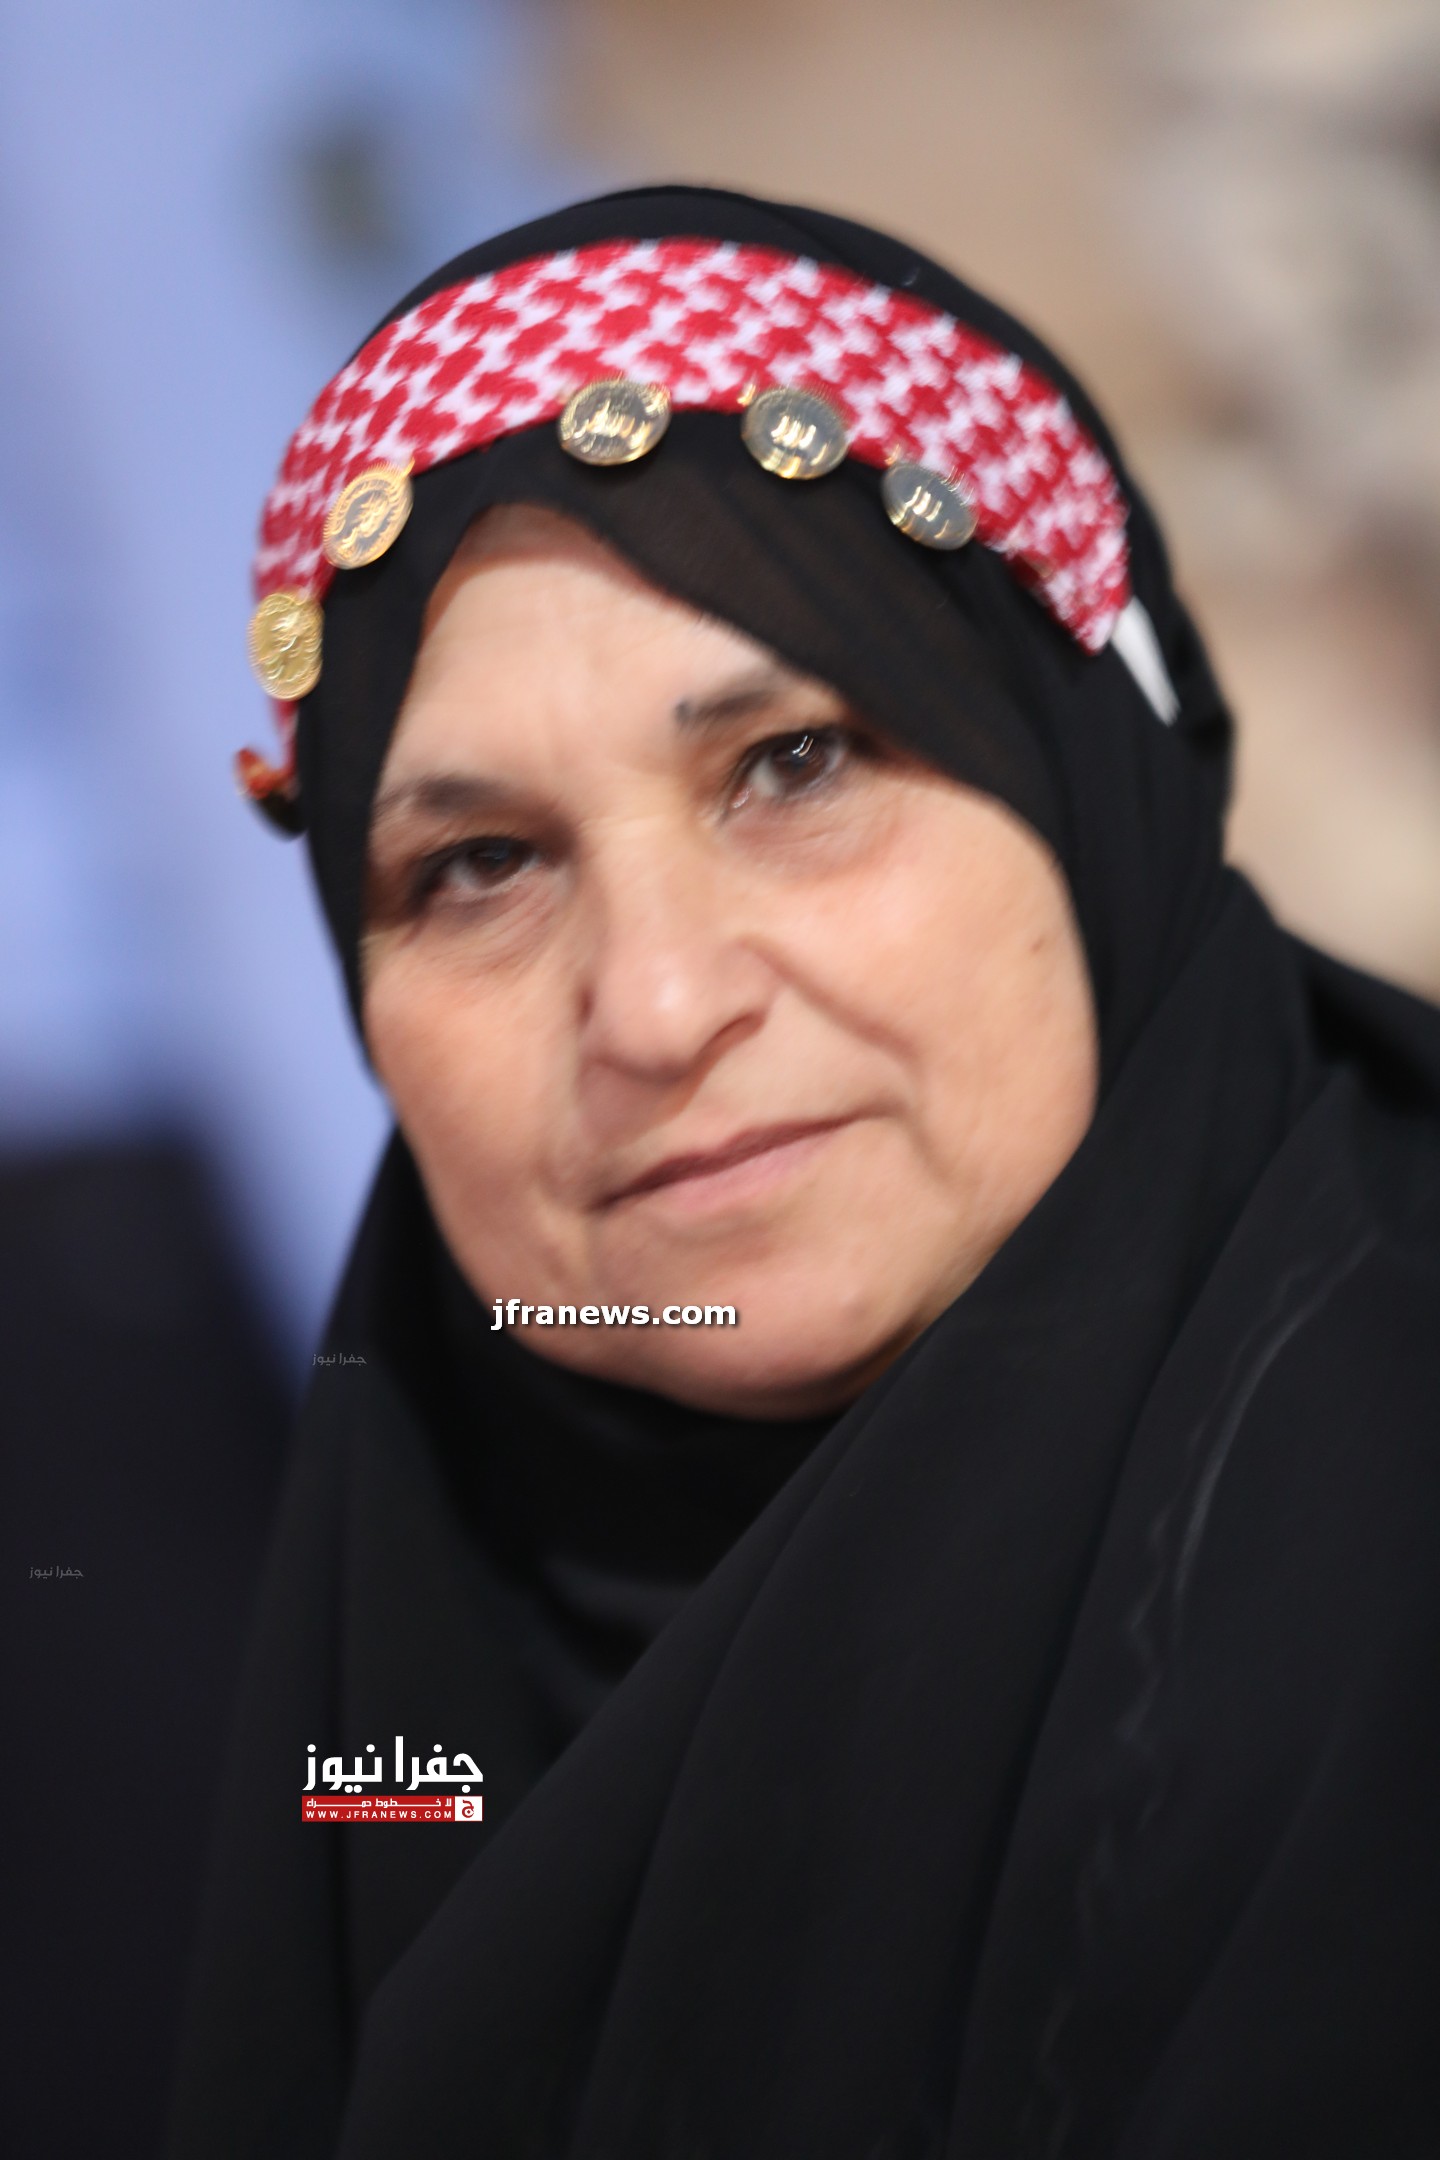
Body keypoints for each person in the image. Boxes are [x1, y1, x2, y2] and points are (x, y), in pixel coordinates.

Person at [167, 186, 1440, 2159]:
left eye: (796, 764)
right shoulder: (408, 1644)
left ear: (1082, 772)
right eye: (481, 866)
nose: (659, 1006)